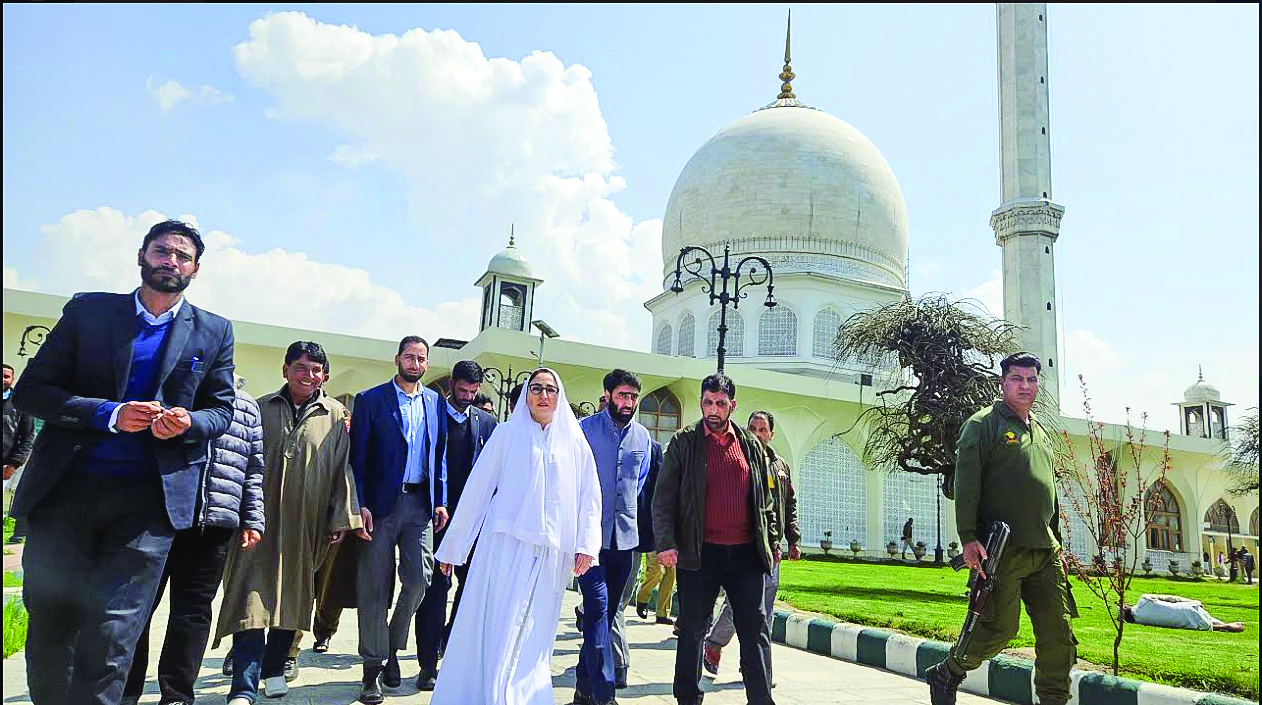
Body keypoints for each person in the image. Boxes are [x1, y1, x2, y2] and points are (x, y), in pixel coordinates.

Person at [10, 219, 236, 705]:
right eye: (162, 251)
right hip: (66, 494)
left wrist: (188, 423)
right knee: (52, 623)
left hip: (148, 508)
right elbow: (31, 392)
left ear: (196, 269)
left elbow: (220, 411)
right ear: (141, 256)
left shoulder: (214, 331)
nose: (170, 261)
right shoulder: (89, 311)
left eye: (182, 255)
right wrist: (108, 414)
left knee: (114, 635)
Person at [431, 368, 602, 705]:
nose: (543, 395)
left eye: (550, 389)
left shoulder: (574, 442)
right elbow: (477, 490)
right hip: (504, 548)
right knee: (499, 624)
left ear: (559, 395)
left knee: (534, 633)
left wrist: (586, 546)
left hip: (551, 554)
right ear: (526, 394)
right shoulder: (507, 434)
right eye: (536, 388)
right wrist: (454, 547)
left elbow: (589, 497)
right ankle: (489, 694)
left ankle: (524, 696)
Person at [212, 341, 362, 705]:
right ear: (285, 370)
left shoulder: (335, 415)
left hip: (306, 523)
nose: (307, 375)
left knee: (293, 597)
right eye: (300, 367)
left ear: (324, 375)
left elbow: (343, 469)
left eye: (315, 369)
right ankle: (243, 687)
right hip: (257, 523)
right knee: (250, 599)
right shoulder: (260, 408)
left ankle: (275, 669)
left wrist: (342, 516)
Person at [926, 352, 1077, 705]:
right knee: (999, 629)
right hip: (1002, 551)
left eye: (1032, 379)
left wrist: (1059, 544)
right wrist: (968, 539)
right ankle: (949, 671)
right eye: (1017, 379)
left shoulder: (1040, 431)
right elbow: (966, 487)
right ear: (1002, 383)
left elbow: (1049, 494)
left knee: (1059, 634)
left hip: (1045, 551)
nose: (1026, 386)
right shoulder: (983, 425)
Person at [123, 374, 266, 705]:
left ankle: (176, 695)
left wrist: (253, 518)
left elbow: (254, 467)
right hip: (161, 517)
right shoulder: (168, 390)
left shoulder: (245, 404)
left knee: (193, 612)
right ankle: (125, 692)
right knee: (138, 607)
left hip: (215, 521)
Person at [654, 373, 780, 705]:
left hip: (745, 557)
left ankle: (761, 699)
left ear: (732, 406)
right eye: (708, 402)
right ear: (701, 403)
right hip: (699, 554)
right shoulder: (684, 442)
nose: (713, 409)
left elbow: (767, 499)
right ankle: (688, 699)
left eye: (721, 403)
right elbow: (663, 497)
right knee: (693, 631)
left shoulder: (751, 444)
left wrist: (772, 539)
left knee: (755, 632)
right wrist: (666, 542)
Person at [349, 336, 449, 703]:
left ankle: (391, 646)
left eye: (422, 358)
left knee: (419, 580)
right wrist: (358, 504)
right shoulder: (371, 400)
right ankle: (372, 669)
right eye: (410, 356)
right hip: (379, 507)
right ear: (398, 359)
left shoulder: (435, 401)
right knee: (373, 588)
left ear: (427, 363)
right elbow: (357, 460)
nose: (415, 363)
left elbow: (437, 455)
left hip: (420, 505)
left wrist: (441, 500)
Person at [414, 360, 498, 690]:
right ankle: (427, 663)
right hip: (437, 522)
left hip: (474, 525)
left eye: (472, 392)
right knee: (434, 593)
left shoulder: (488, 424)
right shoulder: (432, 416)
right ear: (451, 385)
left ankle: (450, 640)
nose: (465, 397)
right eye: (461, 390)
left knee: (472, 589)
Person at [573, 369, 653, 705]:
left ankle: (582, 690)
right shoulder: (584, 431)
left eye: (633, 397)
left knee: (604, 619)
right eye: (623, 395)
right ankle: (605, 695)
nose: (629, 403)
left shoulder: (643, 438)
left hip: (626, 543)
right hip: (590, 543)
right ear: (608, 394)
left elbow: (641, 484)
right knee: (596, 613)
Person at [704, 410, 801, 678]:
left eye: (763, 430)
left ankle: (759, 670)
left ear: (771, 434)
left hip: (772, 551)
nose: (758, 435)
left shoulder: (780, 467)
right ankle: (715, 643)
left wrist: (793, 539)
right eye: (753, 429)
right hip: (744, 547)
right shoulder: (739, 460)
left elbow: (788, 505)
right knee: (740, 604)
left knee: (764, 612)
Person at [3, 362, 36, 544]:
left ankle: (19, 533)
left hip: (5, 464)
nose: (3, 379)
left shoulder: (20, 403)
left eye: (6, 376)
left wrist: (14, 463)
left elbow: (27, 436)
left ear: (12, 379)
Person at [1123, 594, 1244, 632]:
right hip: (1189, 609)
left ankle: (1225, 626)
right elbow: (1172, 598)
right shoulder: (1144, 599)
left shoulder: (1139, 620)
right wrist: (1194, 601)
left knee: (1201, 623)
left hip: (1188, 622)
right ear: (1128, 606)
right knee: (1192, 612)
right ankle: (1227, 625)